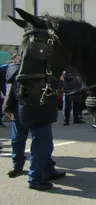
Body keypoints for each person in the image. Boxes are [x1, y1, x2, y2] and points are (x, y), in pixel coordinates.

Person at [2, 61, 66, 190]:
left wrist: (7, 107)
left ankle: (20, 166)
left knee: (19, 139)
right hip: (39, 112)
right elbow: (55, 88)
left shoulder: (15, 69)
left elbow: (10, 91)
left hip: (19, 109)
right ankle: (36, 178)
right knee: (42, 144)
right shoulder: (43, 70)